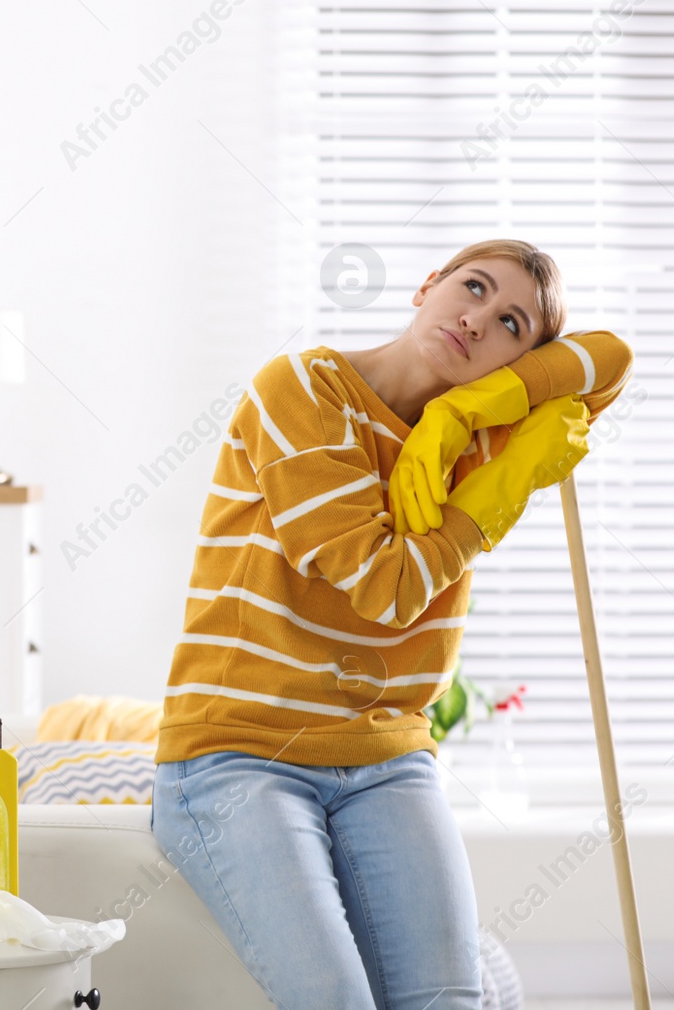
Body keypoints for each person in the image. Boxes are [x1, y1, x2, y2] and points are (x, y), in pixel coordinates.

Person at [149, 238, 634, 1009]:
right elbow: (384, 586)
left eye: (512, 324)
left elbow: (611, 361)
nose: (477, 320)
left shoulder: (477, 432)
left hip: (388, 756)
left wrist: (467, 411)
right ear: (427, 285)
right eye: (472, 288)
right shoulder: (303, 389)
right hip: (239, 754)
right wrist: (488, 502)